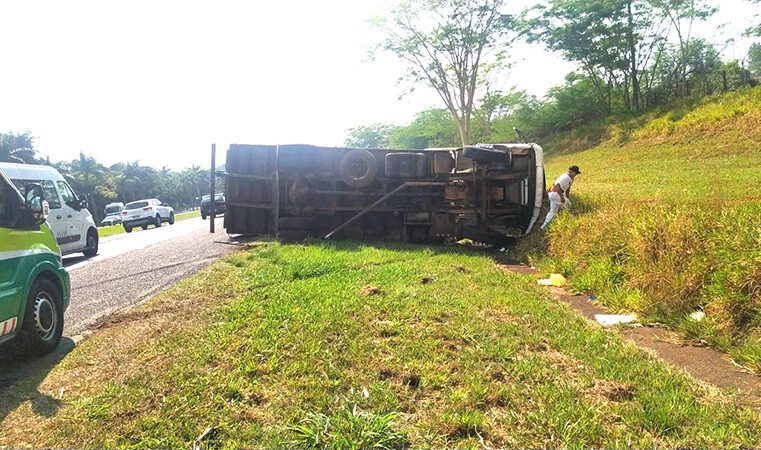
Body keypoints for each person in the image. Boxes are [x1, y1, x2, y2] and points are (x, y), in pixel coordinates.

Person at [540, 165, 581, 230]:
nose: (575, 175)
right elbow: (557, 186)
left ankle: (543, 227)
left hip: (553, 194)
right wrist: (562, 198)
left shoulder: (570, 178)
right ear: (571, 171)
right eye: (575, 173)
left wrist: (567, 198)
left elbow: (567, 189)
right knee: (568, 206)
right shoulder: (566, 177)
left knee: (553, 211)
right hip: (555, 194)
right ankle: (570, 223)